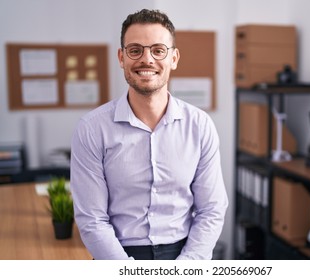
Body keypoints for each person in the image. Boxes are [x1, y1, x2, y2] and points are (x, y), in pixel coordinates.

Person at [70, 9, 228, 260]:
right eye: (135, 50)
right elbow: (92, 220)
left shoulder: (199, 125)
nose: (147, 59)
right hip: (117, 257)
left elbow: (212, 209)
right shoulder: (91, 129)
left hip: (185, 255)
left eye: (158, 50)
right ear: (121, 58)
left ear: (174, 58)